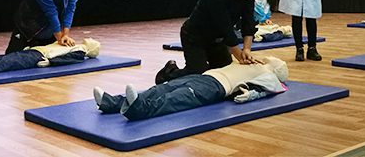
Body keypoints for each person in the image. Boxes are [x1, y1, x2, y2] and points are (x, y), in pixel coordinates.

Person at [154, 0, 264, 84]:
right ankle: (168, 72)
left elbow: (248, 21)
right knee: (196, 72)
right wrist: (240, 57)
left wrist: (247, 49)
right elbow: (225, 27)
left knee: (225, 71)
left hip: (217, 40)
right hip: (195, 36)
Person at [94, 57, 288, 121]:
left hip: (215, 87)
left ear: (277, 67)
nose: (270, 57)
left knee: (173, 99)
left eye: (274, 60)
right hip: (203, 76)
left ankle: (139, 110)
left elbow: (269, 88)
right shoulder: (250, 60)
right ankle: (113, 103)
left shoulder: (269, 73)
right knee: (161, 89)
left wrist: (249, 94)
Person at [5, 0, 85, 54]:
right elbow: (51, 13)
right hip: (28, 28)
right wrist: (60, 39)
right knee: (12, 56)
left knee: (44, 58)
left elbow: (69, 11)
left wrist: (65, 35)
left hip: (48, 30)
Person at [0, 38, 100, 77]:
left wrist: (50, 62)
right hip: (32, 51)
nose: (90, 39)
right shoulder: (72, 43)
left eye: (93, 41)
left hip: (37, 57)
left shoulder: (80, 51)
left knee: (3, 64)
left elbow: (69, 59)